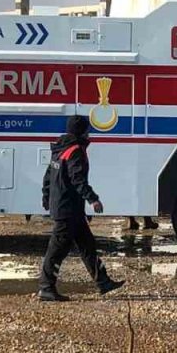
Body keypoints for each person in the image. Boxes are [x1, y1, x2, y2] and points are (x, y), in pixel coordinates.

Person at [39, 115, 125, 302]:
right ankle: (46, 288)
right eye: (87, 130)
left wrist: (47, 198)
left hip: (69, 208)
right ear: (82, 131)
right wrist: (93, 199)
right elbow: (78, 179)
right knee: (56, 250)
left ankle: (103, 282)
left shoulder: (60, 149)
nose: (89, 133)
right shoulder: (75, 151)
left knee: (87, 246)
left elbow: (48, 177)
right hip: (67, 210)